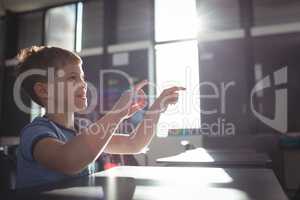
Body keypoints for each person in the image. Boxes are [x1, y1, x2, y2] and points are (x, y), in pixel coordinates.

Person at [15, 46, 185, 188]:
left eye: (82, 78)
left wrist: (158, 107)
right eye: (72, 78)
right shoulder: (35, 132)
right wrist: (117, 113)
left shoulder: (83, 128)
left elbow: (134, 143)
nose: (82, 84)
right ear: (44, 91)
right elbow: (69, 160)